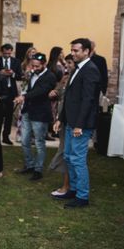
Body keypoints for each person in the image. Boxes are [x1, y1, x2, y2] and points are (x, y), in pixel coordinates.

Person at [53, 38, 100, 208]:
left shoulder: (91, 70)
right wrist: (61, 119)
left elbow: (88, 100)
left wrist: (79, 125)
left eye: (76, 51)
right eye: (71, 50)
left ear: (87, 51)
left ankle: (82, 196)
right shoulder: (76, 69)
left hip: (81, 124)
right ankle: (72, 190)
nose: (72, 53)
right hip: (70, 122)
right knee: (68, 157)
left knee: (78, 160)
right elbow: (70, 99)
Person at [14, 53, 57, 180]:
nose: (34, 68)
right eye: (33, 65)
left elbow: (40, 91)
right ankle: (29, 165)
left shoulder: (50, 76)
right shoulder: (32, 74)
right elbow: (29, 89)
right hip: (28, 110)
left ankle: (38, 169)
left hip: (40, 113)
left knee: (39, 142)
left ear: (44, 64)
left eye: (37, 66)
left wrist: (24, 97)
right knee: (25, 140)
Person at [48, 54, 74, 196]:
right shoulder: (66, 78)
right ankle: (68, 184)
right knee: (65, 151)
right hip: (62, 119)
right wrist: (55, 92)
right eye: (67, 63)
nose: (67, 65)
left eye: (70, 63)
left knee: (67, 152)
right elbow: (59, 91)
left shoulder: (78, 79)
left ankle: (67, 186)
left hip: (71, 121)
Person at [0, 43, 23, 145]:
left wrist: (12, 73)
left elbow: (20, 76)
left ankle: (5, 136)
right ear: (2, 52)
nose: (7, 55)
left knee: (8, 115)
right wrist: (0, 73)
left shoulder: (16, 62)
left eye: (9, 53)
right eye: (5, 53)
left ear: (11, 52)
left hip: (10, 91)